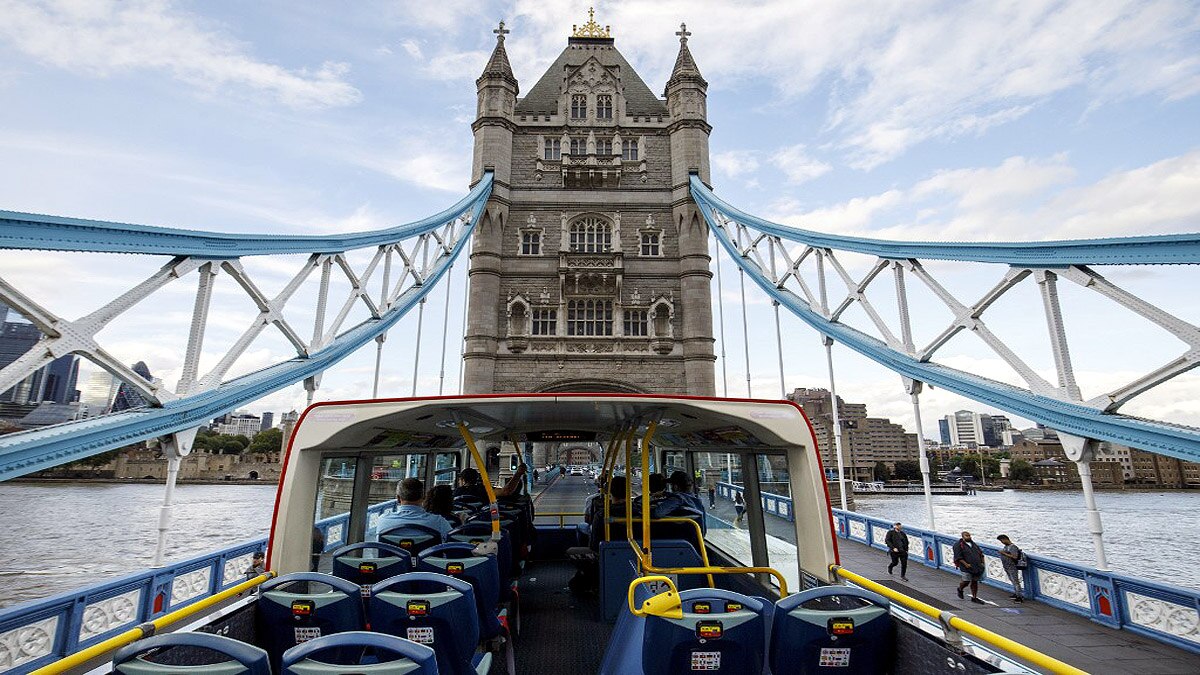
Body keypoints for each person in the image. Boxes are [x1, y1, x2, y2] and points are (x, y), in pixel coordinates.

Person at [370, 477, 453, 541]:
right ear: (423, 497)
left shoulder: (383, 520)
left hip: (391, 563)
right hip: (428, 563)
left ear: (398, 498)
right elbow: (454, 544)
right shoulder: (439, 522)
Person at [454, 464, 526, 503]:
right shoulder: (484, 490)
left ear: (463, 480)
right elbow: (506, 491)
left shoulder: (455, 493)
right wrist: (518, 474)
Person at [952, 531, 986, 604]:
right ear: (963, 536)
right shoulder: (958, 545)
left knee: (975, 582)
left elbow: (980, 553)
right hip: (965, 567)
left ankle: (974, 597)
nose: (969, 537)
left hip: (976, 566)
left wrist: (982, 563)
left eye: (969, 535)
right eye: (967, 536)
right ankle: (960, 589)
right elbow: (958, 556)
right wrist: (965, 564)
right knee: (966, 581)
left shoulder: (974, 544)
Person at [997, 534, 1025, 602]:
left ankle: (1019, 597)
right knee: (1012, 580)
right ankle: (1016, 593)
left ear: (1005, 539)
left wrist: (1003, 553)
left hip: (1012, 566)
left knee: (1015, 581)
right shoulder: (1006, 547)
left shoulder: (1013, 547)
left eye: (1002, 540)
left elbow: (1015, 557)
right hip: (1007, 566)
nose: (1002, 542)